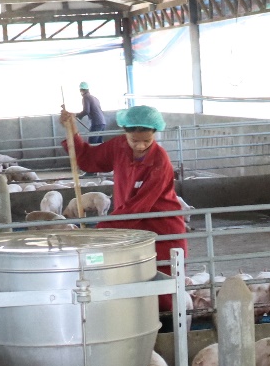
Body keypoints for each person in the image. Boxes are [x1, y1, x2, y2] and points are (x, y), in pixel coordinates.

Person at [59, 103, 187, 266]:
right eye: (134, 140)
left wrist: (100, 231)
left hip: (160, 231)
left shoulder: (159, 162)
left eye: (147, 140)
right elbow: (90, 159)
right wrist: (72, 130)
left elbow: (138, 207)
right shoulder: (119, 146)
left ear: (154, 133)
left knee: (161, 278)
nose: (140, 146)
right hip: (129, 229)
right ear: (125, 132)